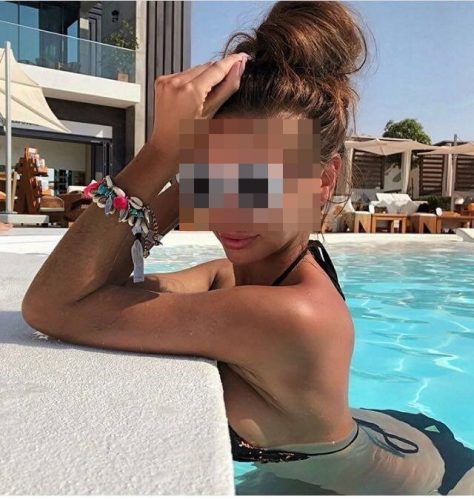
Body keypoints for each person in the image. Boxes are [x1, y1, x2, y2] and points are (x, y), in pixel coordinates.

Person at [21, 1, 473, 495]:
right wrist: (188, 174)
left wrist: (162, 151)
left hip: (429, 483)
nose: (232, 208)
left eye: (264, 179)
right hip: (392, 432)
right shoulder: (237, 276)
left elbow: (56, 305)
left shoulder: (291, 315)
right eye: (214, 175)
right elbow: (96, 285)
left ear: (325, 179)